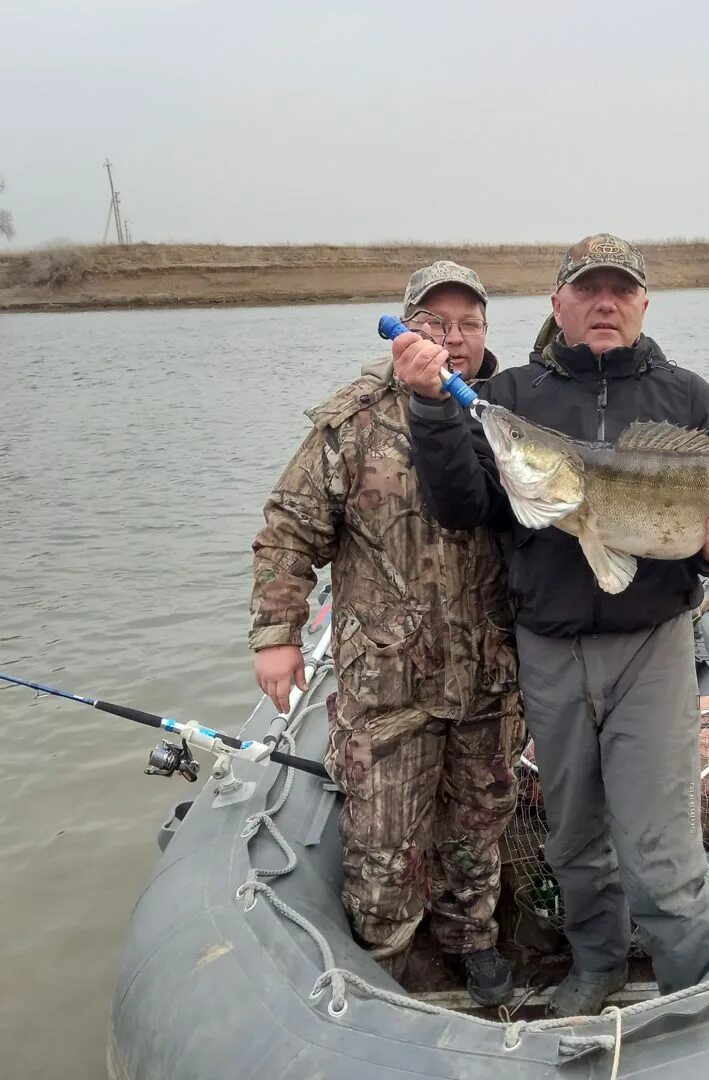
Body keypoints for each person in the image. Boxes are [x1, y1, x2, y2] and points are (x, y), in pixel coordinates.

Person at [394, 234, 709, 1016]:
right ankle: (598, 966)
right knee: (572, 835)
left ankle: (692, 994)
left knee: (663, 845)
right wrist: (435, 410)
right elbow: (465, 505)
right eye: (588, 289)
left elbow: (699, 543)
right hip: (549, 646)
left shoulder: (688, 397)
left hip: (655, 645)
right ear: (557, 304)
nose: (605, 303)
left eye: (621, 290)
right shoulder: (511, 397)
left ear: (642, 304)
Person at [248, 260, 524, 1007]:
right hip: (388, 683)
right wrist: (277, 633)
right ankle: (386, 960)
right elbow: (288, 530)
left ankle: (472, 938)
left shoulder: (513, 413)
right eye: (436, 322)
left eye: (469, 323)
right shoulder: (354, 420)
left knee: (479, 824)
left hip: (492, 677)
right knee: (383, 848)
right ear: (405, 327)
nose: (454, 337)